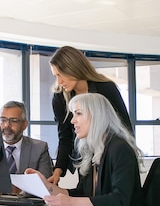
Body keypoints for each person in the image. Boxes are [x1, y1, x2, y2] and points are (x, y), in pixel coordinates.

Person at [27, 93, 143, 206]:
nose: (72, 121)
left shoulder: (120, 148)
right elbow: (81, 193)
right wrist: (46, 185)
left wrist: (71, 203)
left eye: (78, 113)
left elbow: (120, 199)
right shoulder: (92, 150)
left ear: (97, 116)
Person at [47, 45, 132, 185]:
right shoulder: (59, 97)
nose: (59, 81)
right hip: (84, 157)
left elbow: (124, 127)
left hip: (111, 155)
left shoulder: (106, 88)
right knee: (87, 196)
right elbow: (65, 137)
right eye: (56, 76)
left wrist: (125, 158)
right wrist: (58, 170)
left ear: (73, 68)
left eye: (60, 74)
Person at [0, 100, 53, 193]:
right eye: (3, 120)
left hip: (26, 204)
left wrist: (19, 190)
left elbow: (47, 185)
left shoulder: (40, 148)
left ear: (24, 125)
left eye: (13, 121)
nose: (7, 125)